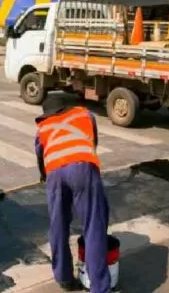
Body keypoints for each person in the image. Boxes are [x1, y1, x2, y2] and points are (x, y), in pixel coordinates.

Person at [34, 97, 110, 293]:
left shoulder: (42, 128)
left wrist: (46, 176)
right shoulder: (84, 114)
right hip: (83, 167)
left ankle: (64, 278)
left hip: (54, 174)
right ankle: (99, 288)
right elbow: (93, 142)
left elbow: (41, 159)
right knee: (93, 227)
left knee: (58, 224)